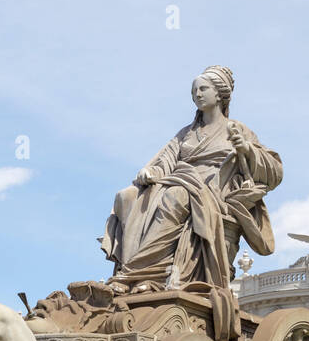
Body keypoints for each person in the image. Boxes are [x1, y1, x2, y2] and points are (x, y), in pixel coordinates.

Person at [99, 65, 283, 293]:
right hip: (179, 181)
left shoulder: (237, 129)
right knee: (125, 196)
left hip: (214, 191)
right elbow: (165, 160)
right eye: (194, 90)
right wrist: (151, 173)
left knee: (176, 195)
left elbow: (275, 172)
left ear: (220, 94)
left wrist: (246, 149)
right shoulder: (186, 132)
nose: (197, 94)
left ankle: (140, 274)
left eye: (203, 89)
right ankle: (128, 272)